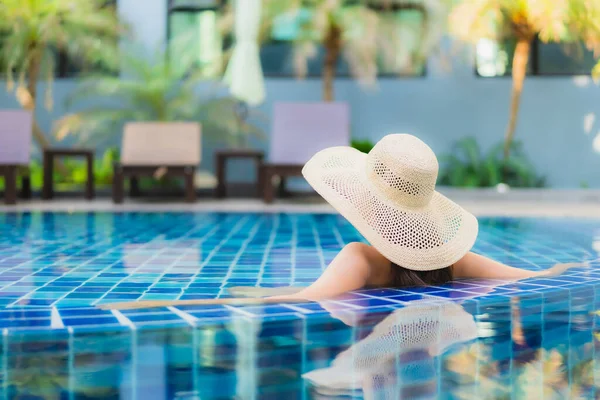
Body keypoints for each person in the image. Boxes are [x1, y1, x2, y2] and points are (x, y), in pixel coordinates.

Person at [230, 134, 588, 302]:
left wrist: (250, 298)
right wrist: (566, 268)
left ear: (365, 204)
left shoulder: (360, 258)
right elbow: (527, 278)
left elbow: (309, 298)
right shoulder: (452, 263)